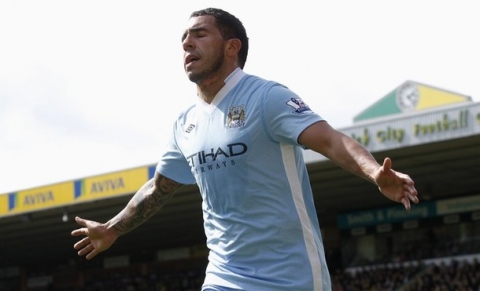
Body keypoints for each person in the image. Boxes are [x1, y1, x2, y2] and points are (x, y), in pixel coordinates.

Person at [71, 7, 419, 291]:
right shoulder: (185, 123)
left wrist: (374, 172)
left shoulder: (267, 97)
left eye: (199, 34)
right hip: (225, 276)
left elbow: (330, 139)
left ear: (231, 47)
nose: (187, 43)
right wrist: (113, 228)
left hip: (291, 277)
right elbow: (159, 188)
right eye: (183, 38)